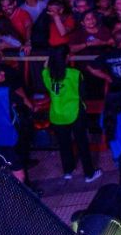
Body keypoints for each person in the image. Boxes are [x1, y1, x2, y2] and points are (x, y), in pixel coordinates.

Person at [43, 47, 101, 182]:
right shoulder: (75, 74)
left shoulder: (46, 74)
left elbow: (45, 65)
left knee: (64, 144)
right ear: (66, 57)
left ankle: (68, 171)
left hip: (57, 114)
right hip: (75, 112)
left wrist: (53, 58)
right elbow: (83, 94)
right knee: (82, 143)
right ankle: (89, 174)